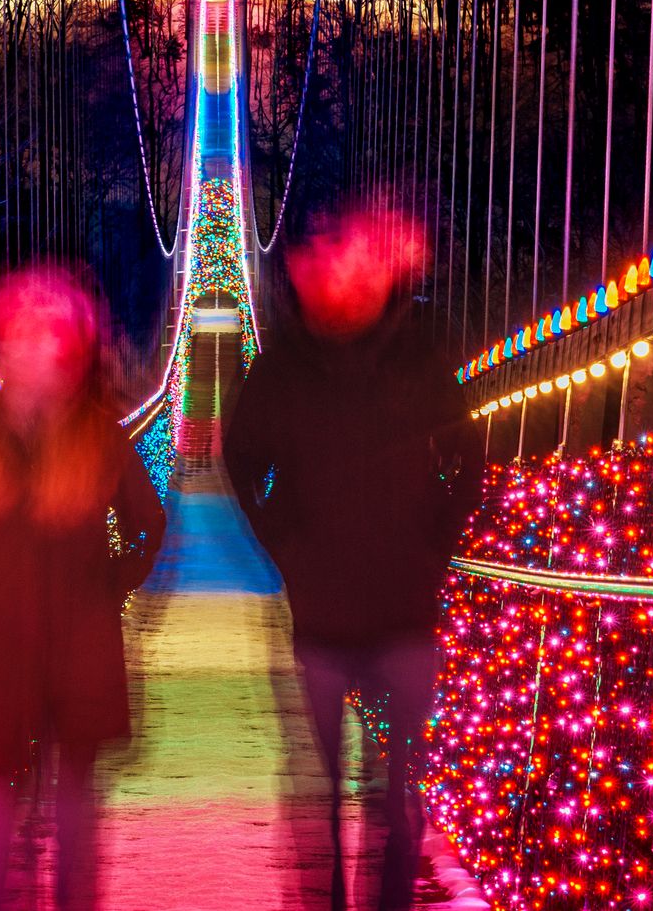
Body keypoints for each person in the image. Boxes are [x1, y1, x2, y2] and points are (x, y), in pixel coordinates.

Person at [223, 203, 484, 911]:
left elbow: (469, 457)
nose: (346, 281)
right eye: (330, 269)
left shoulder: (422, 359)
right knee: (320, 794)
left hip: (406, 612)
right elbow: (239, 459)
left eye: (363, 268)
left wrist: (433, 540)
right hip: (321, 617)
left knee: (398, 790)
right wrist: (286, 542)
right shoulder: (282, 368)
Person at [0, 265, 166, 910]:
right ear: (1, 349)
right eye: (18, 338)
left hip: (79, 645)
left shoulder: (96, 432)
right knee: (5, 798)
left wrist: (110, 588)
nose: (31, 350)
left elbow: (149, 524)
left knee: (75, 803)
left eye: (46, 338)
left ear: (67, 350)